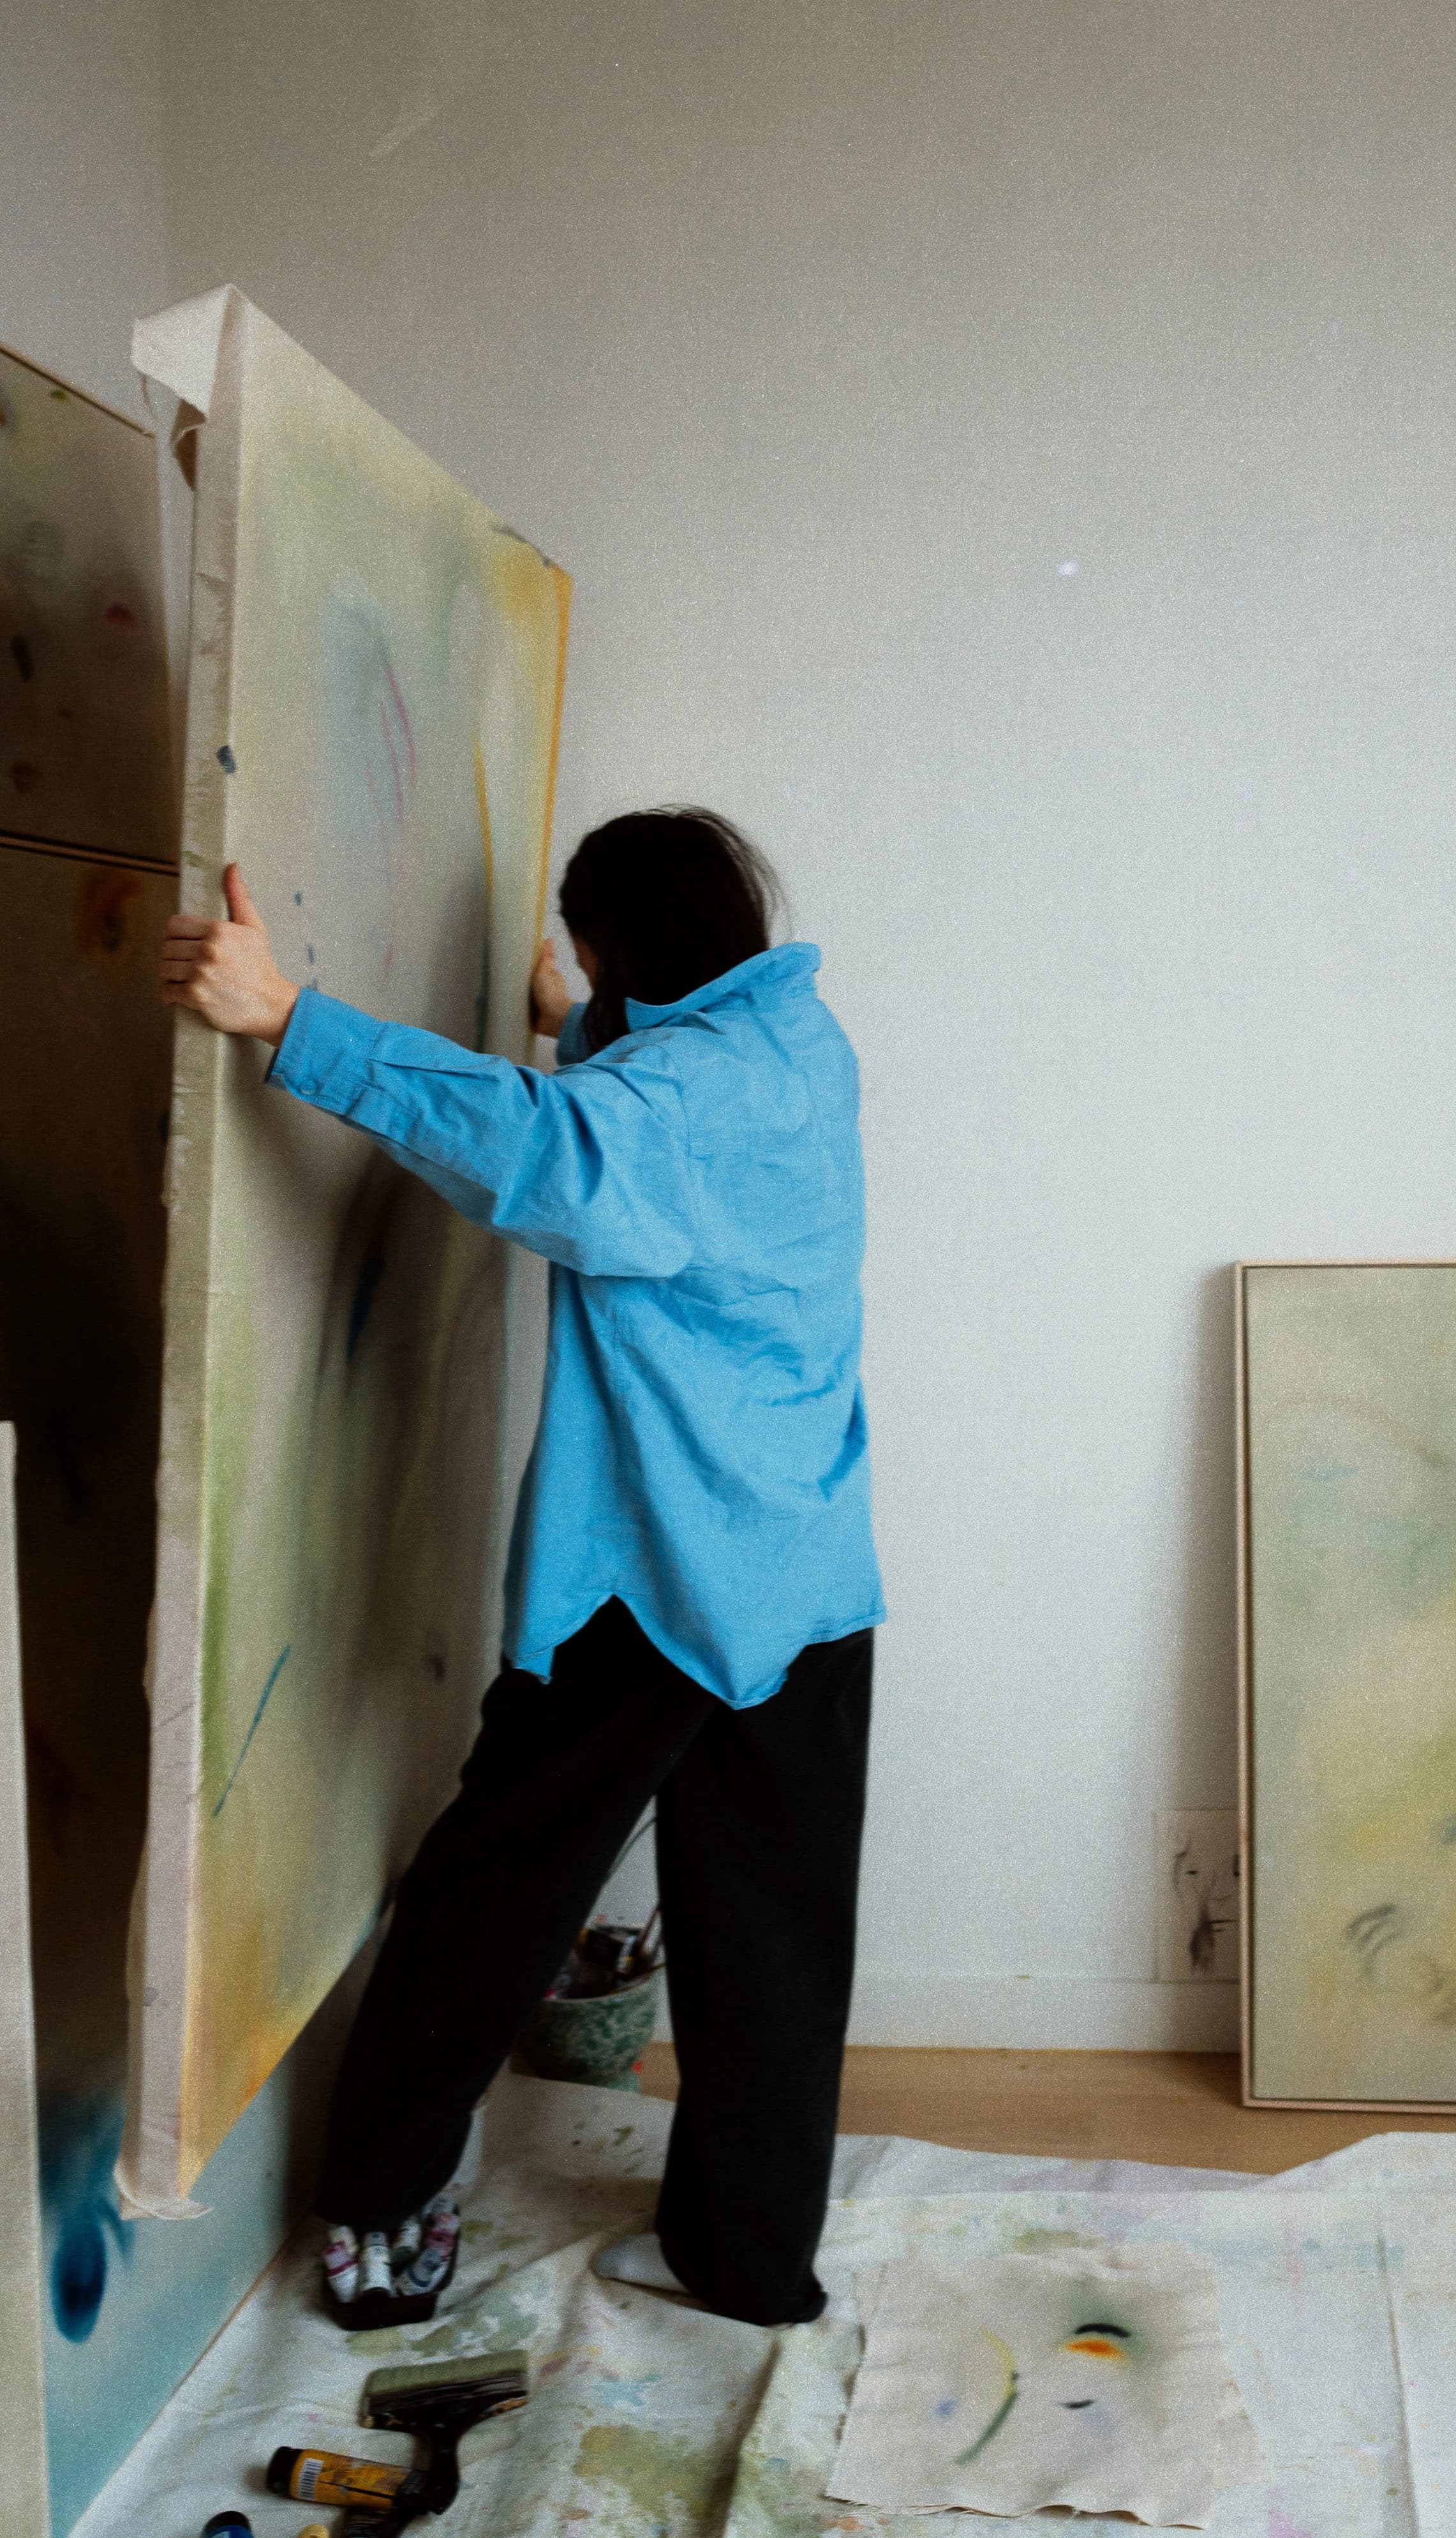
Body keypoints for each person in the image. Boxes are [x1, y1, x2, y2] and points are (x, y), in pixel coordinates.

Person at [159, 807, 884, 2333]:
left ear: (624, 947)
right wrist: (583, 1023)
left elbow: (561, 1157)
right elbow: (643, 1142)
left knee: (490, 1903)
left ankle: (377, 2199)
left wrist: (288, 1017)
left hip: (661, 1573)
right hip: (809, 1566)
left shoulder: (660, 1104)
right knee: (774, 1938)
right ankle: (748, 2254)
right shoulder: (798, 1039)